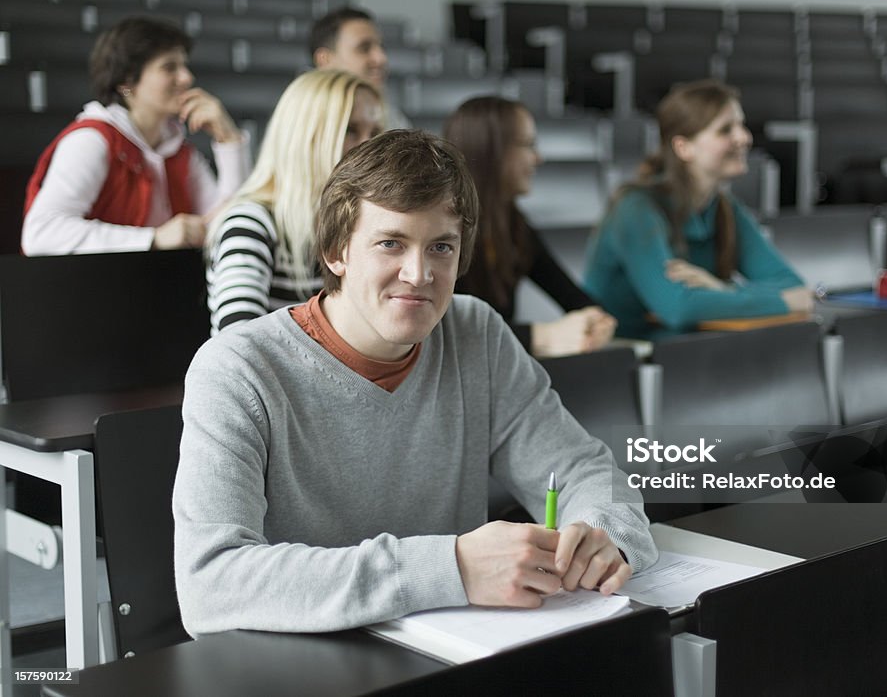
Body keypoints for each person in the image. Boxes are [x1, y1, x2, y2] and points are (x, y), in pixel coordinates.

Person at [173, 130, 656, 636]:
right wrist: (454, 568)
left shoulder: (477, 334)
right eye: (390, 244)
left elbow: (582, 470)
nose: (419, 273)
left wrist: (604, 536)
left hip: (461, 660)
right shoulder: (237, 369)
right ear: (337, 252)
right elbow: (211, 585)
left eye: (441, 247)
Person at [584, 80, 812, 339]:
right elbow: (679, 307)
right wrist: (783, 302)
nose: (744, 138)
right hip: (624, 357)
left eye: (741, 126)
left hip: (689, 352)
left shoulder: (725, 208)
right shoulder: (635, 208)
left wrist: (721, 290)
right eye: (725, 130)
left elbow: (790, 284)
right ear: (684, 147)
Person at [22, 17, 251, 255]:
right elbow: (41, 234)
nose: (186, 78)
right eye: (169, 67)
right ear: (127, 83)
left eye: (184, 66)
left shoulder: (178, 151)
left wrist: (229, 140)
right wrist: (154, 238)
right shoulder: (92, 140)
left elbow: (234, 227)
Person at [205, 69, 382, 334]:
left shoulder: (359, 224)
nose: (370, 146)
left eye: (376, 132)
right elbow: (237, 349)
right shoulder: (250, 222)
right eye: (350, 130)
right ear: (305, 136)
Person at [444, 96, 617, 358]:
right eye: (527, 145)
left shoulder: (512, 223)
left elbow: (574, 299)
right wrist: (542, 337)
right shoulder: (443, 232)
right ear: (493, 152)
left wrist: (595, 321)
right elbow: (448, 335)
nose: (537, 159)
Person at [308, 7, 411, 130]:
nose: (381, 58)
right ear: (324, 60)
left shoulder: (393, 119)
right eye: (364, 48)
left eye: (382, 47)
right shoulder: (302, 118)